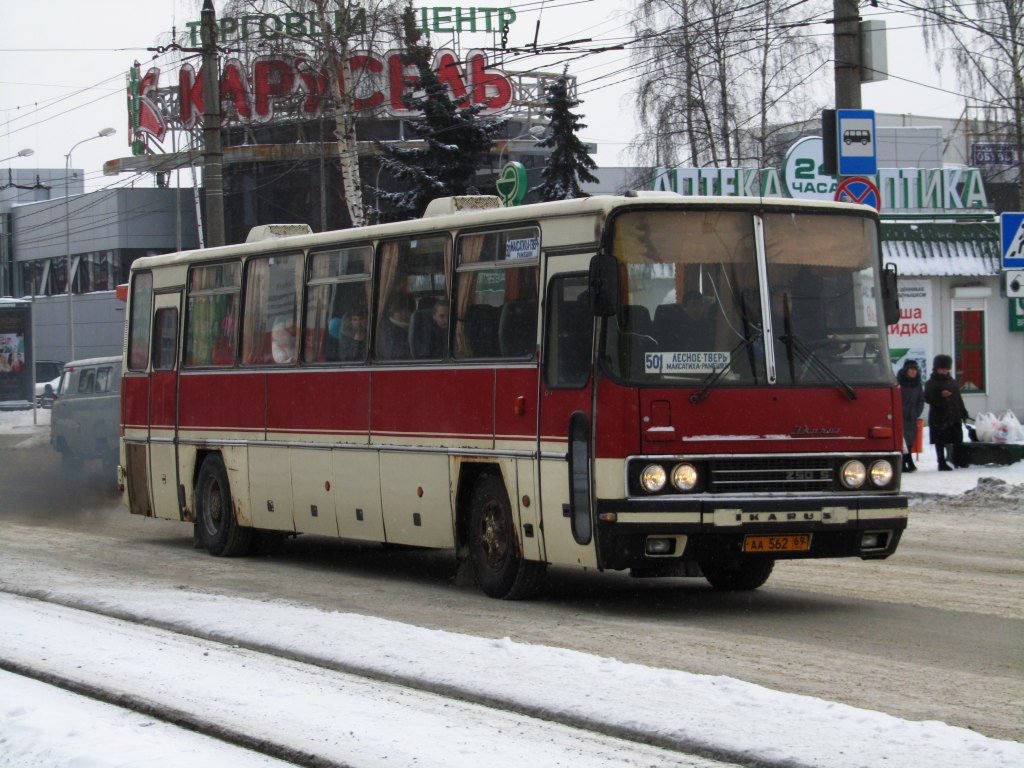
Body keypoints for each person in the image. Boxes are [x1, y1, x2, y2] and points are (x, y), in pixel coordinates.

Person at [924, 354, 969, 471]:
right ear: (936, 369)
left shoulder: (952, 381)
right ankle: (941, 462)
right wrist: (940, 396)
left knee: (958, 439)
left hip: (954, 415)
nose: (944, 371)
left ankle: (958, 459)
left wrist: (963, 412)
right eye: (942, 369)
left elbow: (958, 398)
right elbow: (928, 399)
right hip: (939, 417)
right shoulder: (931, 383)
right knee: (940, 442)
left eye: (946, 369)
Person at [897, 359, 925, 472]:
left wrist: (917, 412)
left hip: (912, 415)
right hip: (901, 414)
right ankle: (905, 463)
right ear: (906, 371)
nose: (913, 372)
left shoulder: (917, 384)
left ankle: (908, 462)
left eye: (915, 370)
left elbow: (921, 400)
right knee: (902, 439)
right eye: (911, 370)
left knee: (910, 440)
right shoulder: (899, 382)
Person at [377, 293, 413, 359]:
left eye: (408, 310)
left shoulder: (413, 327)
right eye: (399, 311)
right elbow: (394, 355)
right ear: (391, 311)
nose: (404, 314)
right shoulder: (388, 331)